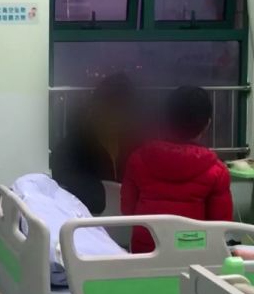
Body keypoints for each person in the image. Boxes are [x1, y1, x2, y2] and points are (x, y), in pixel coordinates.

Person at [120, 86, 232, 253]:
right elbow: (221, 225)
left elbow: (128, 210)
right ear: (207, 124)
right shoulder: (217, 171)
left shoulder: (138, 159)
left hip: (145, 253)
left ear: (166, 120)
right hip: (193, 255)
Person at [50, 74, 139, 214]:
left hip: (130, 221)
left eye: (122, 109)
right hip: (89, 222)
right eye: (110, 108)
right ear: (96, 108)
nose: (116, 117)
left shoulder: (135, 147)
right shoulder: (70, 150)